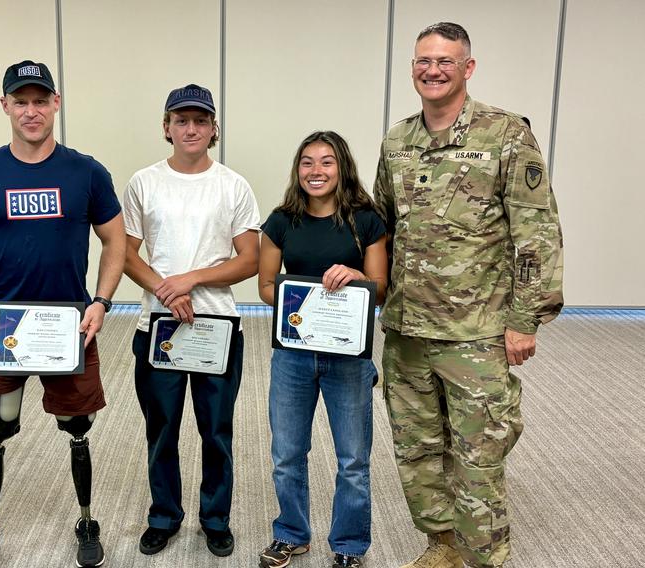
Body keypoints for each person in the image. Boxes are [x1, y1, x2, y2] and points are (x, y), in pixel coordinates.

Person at [374, 22, 564, 568]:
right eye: (422, 61)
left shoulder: (505, 135)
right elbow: (381, 229)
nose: (432, 70)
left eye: (445, 61)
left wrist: (525, 318)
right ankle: (442, 545)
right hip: (407, 330)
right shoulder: (396, 140)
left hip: (475, 334)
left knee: (479, 459)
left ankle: (485, 559)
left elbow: (537, 231)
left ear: (467, 68)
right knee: (417, 452)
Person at [0, 60, 126, 568]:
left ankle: (86, 518)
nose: (31, 111)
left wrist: (102, 301)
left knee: (76, 425)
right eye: (20, 101)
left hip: (71, 324)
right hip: (3, 325)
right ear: (4, 106)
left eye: (40, 100)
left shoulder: (86, 171)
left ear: (56, 104)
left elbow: (115, 240)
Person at [122, 83, 260, 558]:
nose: (191, 128)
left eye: (200, 121)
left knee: (215, 430)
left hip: (216, 328)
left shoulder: (232, 185)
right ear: (167, 127)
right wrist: (167, 289)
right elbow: (125, 253)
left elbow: (249, 260)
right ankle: (164, 515)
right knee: (161, 427)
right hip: (158, 328)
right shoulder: (144, 182)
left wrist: (189, 281)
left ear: (213, 128)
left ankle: (215, 518)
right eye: (181, 120)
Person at [256, 131, 387, 568]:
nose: (316, 171)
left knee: (353, 458)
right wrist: (302, 296)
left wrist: (354, 276)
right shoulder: (280, 221)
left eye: (326, 162)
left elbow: (381, 288)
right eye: (307, 163)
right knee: (287, 453)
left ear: (342, 168)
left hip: (349, 356)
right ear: (298, 170)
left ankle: (349, 545)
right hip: (293, 353)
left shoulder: (365, 220)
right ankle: (291, 534)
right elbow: (265, 288)